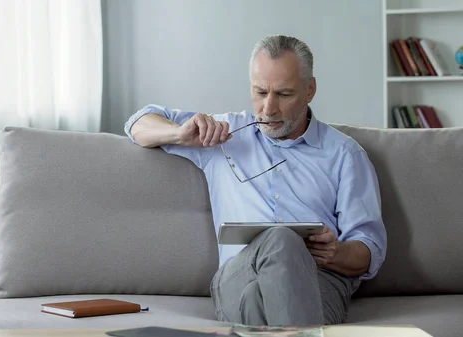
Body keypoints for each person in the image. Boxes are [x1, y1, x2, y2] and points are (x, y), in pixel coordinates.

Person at [123, 35, 387, 326]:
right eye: (260, 92)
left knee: (256, 296)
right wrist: (179, 134)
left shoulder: (345, 154)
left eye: (284, 94)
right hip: (239, 274)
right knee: (280, 240)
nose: (268, 108)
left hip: (318, 280)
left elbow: (369, 251)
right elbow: (139, 122)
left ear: (310, 89)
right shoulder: (221, 135)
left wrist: (336, 252)